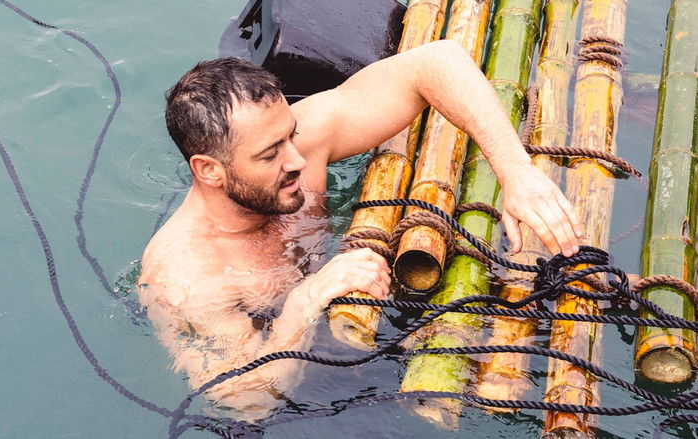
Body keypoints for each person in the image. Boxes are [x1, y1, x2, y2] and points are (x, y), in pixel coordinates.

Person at [137, 40, 583, 420]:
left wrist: (515, 170)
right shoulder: (187, 276)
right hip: (305, 404)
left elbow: (437, 60)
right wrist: (308, 298)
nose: (297, 159)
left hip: (366, 320)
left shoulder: (297, 146)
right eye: (271, 153)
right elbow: (244, 399)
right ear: (209, 170)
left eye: (291, 134)